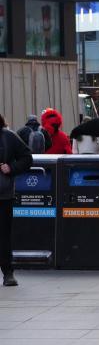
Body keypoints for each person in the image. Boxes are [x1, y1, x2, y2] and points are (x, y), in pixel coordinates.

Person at [0, 112, 33, 286]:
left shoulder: (8, 136)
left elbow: (27, 157)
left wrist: (11, 168)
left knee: (4, 236)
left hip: (3, 194)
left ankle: (7, 272)